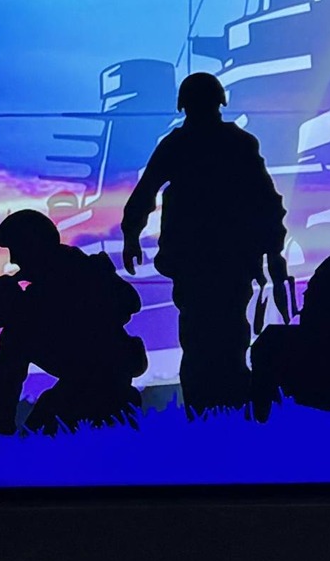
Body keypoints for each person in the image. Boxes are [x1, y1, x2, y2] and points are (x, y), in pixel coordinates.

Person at [121, 73, 287, 412]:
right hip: (220, 262)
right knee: (221, 337)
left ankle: (213, 411)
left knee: (205, 339)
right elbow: (267, 201)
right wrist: (272, 251)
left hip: (205, 263)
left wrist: (132, 234)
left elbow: (146, 191)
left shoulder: (183, 144)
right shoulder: (235, 143)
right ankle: (224, 410)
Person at [0, 208, 146, 433]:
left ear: (35, 247)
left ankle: (0, 423)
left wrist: (8, 309)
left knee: (16, 339)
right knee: (42, 416)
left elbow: (128, 303)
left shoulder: (82, 271)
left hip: (106, 377)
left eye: (17, 250)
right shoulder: (49, 284)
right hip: (83, 380)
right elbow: (25, 315)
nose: (14, 260)